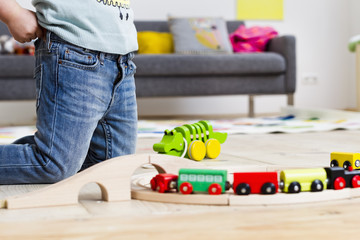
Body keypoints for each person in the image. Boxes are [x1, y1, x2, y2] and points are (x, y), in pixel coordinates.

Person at [0, 0, 138, 184]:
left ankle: (46, 147)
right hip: (73, 51)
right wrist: (12, 12)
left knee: (114, 166)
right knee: (53, 165)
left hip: (122, 60)